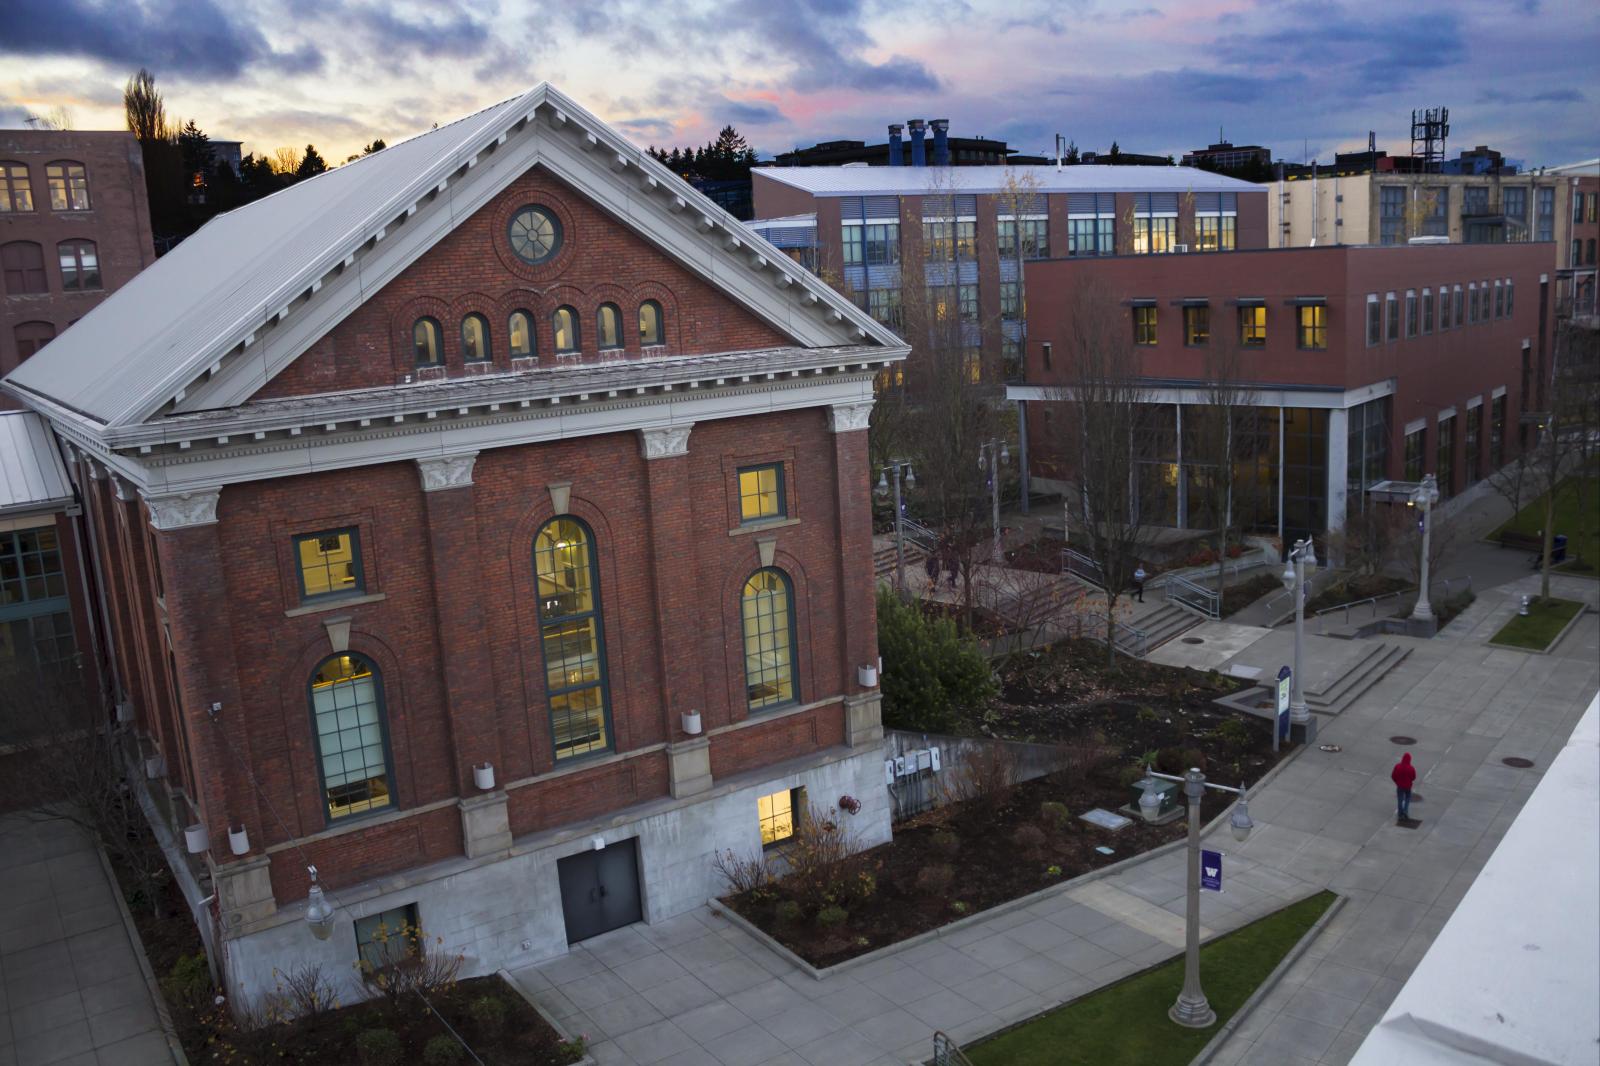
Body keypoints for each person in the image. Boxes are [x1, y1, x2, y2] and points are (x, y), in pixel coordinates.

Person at [1392, 752, 1417, 822]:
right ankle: (1405, 811)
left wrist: (1397, 782)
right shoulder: (1411, 768)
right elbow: (1413, 777)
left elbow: (1393, 776)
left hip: (1400, 786)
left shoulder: (1397, 766)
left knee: (1400, 799)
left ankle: (1400, 814)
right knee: (1407, 798)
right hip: (1408, 787)